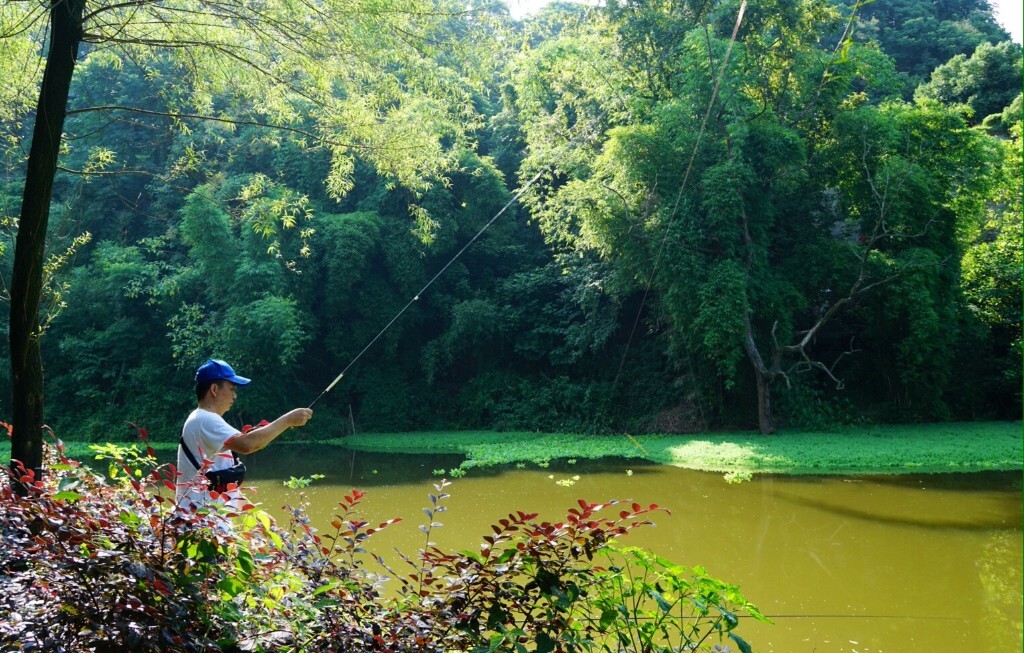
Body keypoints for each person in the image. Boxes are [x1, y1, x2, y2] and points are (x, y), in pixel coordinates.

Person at [175, 358, 313, 510]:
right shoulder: (205, 419)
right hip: (198, 525)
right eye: (232, 389)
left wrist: (261, 519)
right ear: (214, 389)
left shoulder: (202, 419)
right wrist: (288, 420)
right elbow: (248, 444)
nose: (235, 396)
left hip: (202, 523)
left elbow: (226, 486)